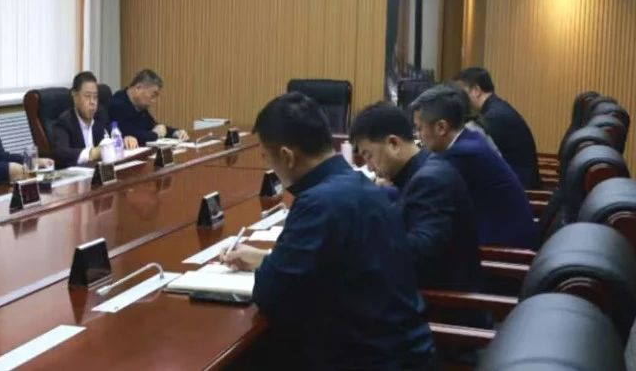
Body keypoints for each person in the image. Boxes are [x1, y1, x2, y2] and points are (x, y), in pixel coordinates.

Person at [223, 92, 435, 370]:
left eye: (266, 158)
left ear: (287, 156)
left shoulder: (318, 203)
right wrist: (267, 259)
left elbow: (271, 295)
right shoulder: (359, 186)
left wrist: (270, 266)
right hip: (404, 353)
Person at [349, 103, 483, 297]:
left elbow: (420, 255)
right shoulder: (422, 168)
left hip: (445, 303)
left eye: (368, 155)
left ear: (393, 144)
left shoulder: (429, 180)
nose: (369, 167)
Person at [411, 83, 537, 249]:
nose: (417, 135)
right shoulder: (469, 139)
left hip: (503, 250)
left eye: (419, 128)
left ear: (441, 127)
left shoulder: (464, 153)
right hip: (496, 235)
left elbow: (422, 183)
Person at [455, 67, 541, 190]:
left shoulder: (494, 116)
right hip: (518, 182)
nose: (460, 99)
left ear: (476, 91)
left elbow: (461, 144)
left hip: (521, 189)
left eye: (462, 93)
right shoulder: (497, 108)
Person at [48, 71, 137, 168]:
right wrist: (91, 153)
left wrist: (125, 140)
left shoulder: (100, 116)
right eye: (87, 97)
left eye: (95, 97)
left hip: (101, 173)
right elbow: (61, 153)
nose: (92, 102)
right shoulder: (65, 122)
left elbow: (111, 137)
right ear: (75, 96)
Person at [108, 69, 188, 146]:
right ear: (138, 88)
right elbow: (130, 133)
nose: (154, 101)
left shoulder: (139, 106)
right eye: (153, 96)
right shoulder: (117, 104)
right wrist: (155, 134)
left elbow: (153, 126)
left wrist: (175, 132)